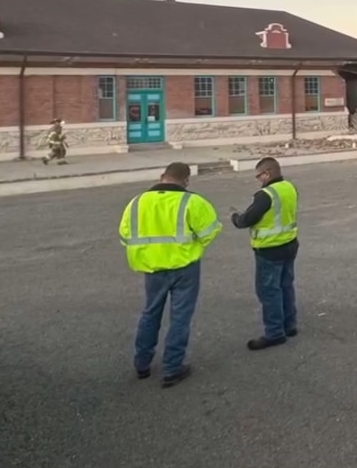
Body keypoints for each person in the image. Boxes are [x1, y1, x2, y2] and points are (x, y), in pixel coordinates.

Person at [118, 162, 223, 388]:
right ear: (186, 180)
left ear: (162, 176)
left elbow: (125, 236)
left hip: (152, 269)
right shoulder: (193, 202)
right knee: (180, 318)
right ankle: (172, 368)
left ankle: (142, 364)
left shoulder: (136, 202)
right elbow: (210, 232)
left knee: (150, 313)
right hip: (185, 268)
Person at [230, 157, 300, 351]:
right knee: (286, 285)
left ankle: (275, 332)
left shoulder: (265, 194)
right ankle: (290, 324)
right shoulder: (289, 187)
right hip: (290, 243)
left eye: (259, 176)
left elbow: (247, 219)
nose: (258, 180)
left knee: (269, 291)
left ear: (267, 173)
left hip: (269, 248)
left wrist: (235, 218)